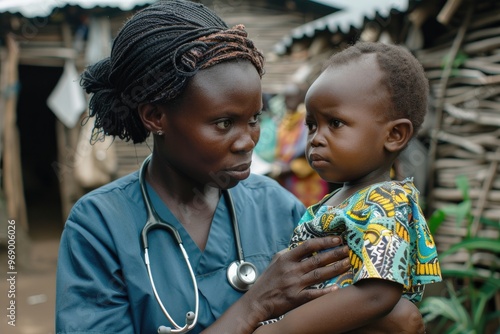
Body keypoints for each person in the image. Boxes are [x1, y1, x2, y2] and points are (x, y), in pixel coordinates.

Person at [55, 2, 424, 333]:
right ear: (155, 116)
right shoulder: (99, 228)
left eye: (253, 119)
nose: (248, 140)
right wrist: (253, 306)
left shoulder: (278, 209)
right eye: (223, 123)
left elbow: (355, 305)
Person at [253, 42, 442, 334]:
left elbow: (378, 294)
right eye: (312, 125)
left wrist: (281, 329)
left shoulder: (385, 203)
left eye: (336, 123)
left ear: (394, 135)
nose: (316, 138)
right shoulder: (334, 201)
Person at [268, 83, 330, 207]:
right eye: (285, 98)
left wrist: (292, 168)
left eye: (291, 97)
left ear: (301, 98)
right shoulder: (283, 123)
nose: (288, 102)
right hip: (286, 183)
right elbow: (279, 151)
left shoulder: (309, 123)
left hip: (308, 182)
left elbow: (317, 151)